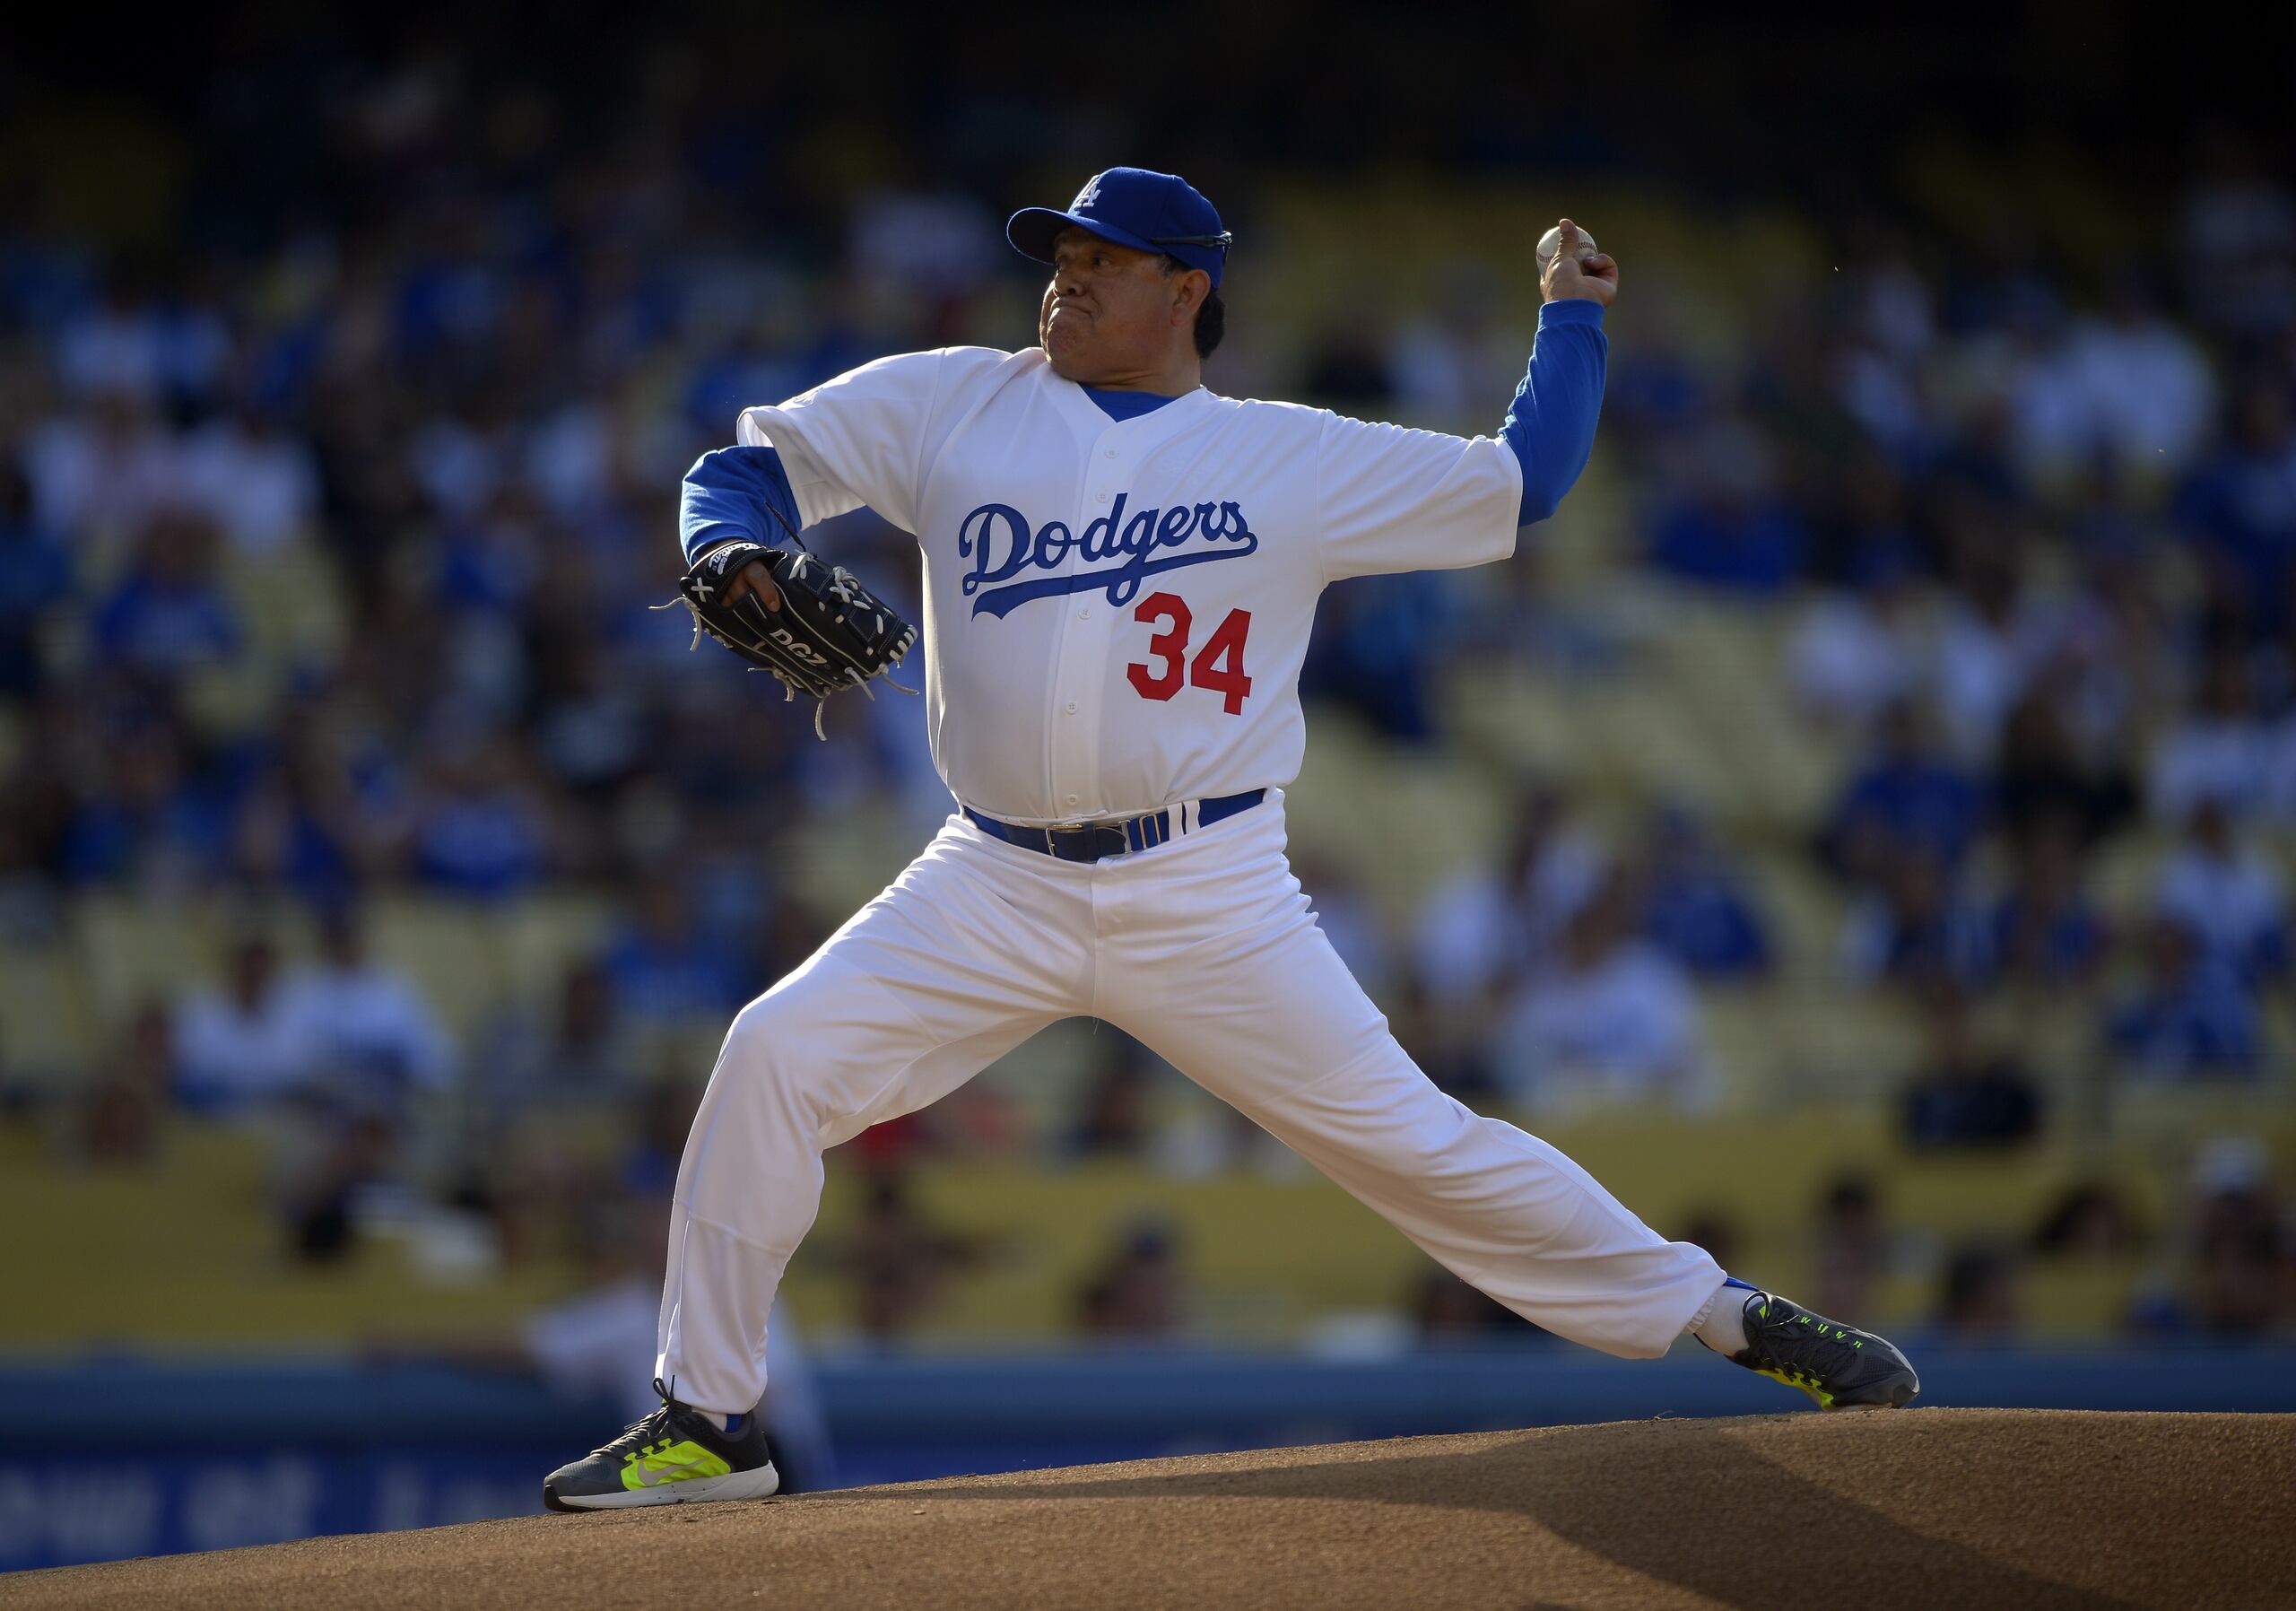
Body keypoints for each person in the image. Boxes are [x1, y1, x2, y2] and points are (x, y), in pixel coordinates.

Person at [542, 169, 1918, 1511]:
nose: (1066, 277)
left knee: (1417, 1147)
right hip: (992, 875)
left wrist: (1571, 314)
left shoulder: (1288, 453)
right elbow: (753, 461)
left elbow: (1526, 482)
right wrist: (728, 546)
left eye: (1102, 258)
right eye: (1059, 255)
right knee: (772, 1055)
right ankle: (711, 1420)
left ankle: (1721, 1313)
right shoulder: (959, 399)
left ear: (1186, 288)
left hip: (1206, 885)